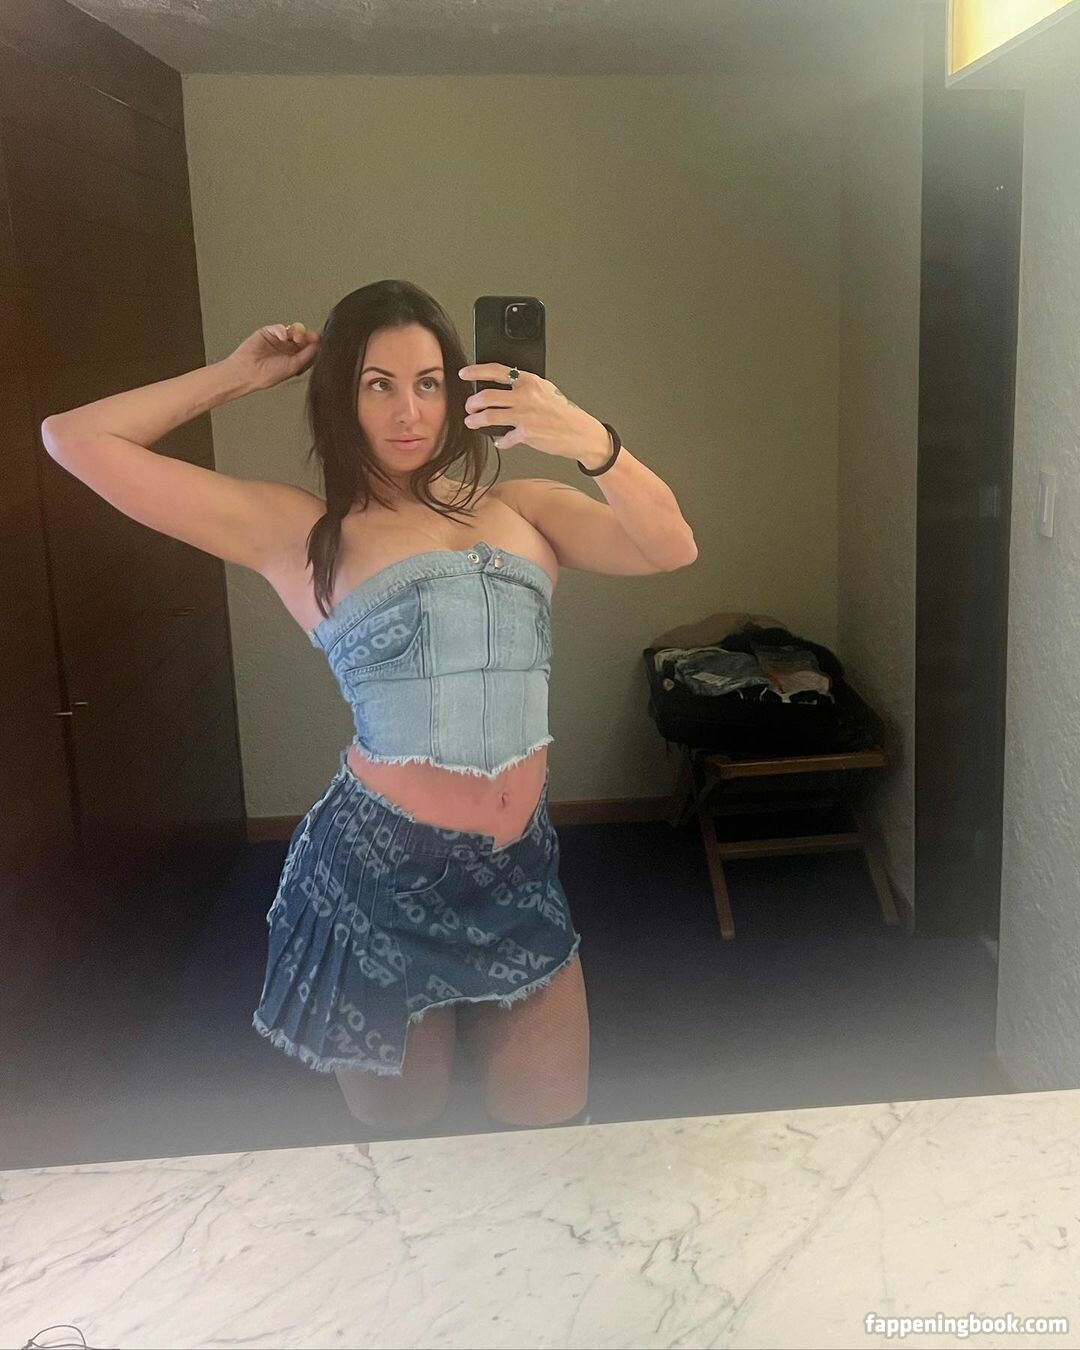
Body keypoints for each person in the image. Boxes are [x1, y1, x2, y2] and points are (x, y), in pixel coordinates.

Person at [40, 279, 697, 1137]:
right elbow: (74, 439)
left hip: (519, 873)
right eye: (376, 384)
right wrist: (236, 376)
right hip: (377, 880)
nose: (407, 411)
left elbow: (669, 545)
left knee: (547, 1137)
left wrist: (589, 440)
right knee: (405, 1149)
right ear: (340, 399)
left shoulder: (523, 508)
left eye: (427, 383)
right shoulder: (301, 533)